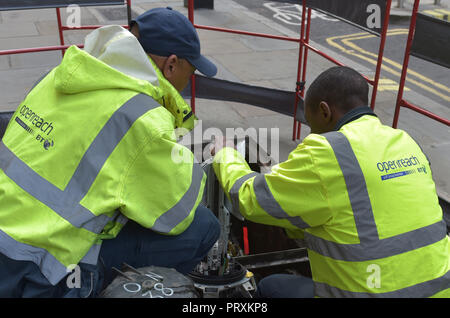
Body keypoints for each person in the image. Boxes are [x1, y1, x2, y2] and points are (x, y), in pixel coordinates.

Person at [0, 7, 220, 298]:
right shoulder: (143, 116)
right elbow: (174, 213)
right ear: (171, 65)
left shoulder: (60, 75)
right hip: (46, 270)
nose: (187, 83)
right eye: (190, 73)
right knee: (204, 227)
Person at [212, 66, 450, 298]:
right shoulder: (406, 142)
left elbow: (248, 198)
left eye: (310, 122)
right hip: (440, 289)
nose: (310, 132)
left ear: (324, 111)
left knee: (273, 285)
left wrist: (225, 153)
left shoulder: (327, 151)